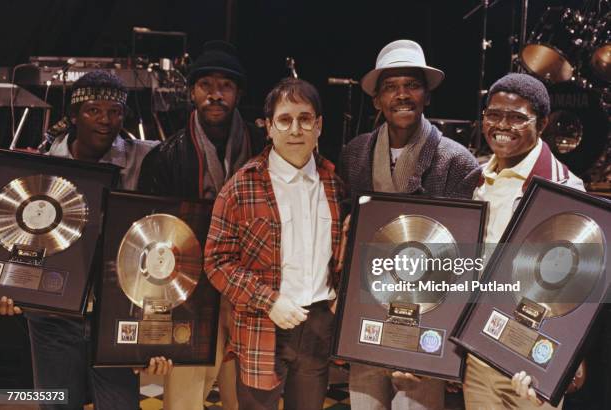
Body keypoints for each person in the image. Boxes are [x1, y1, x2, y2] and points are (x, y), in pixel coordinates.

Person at [339, 39, 481, 410]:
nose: (402, 95)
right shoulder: (354, 154)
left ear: (427, 96)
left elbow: (460, 260)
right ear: (376, 100)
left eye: (412, 85)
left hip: (425, 317)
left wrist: (435, 345)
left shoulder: (457, 162)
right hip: (366, 311)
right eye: (390, 87)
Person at [23, 70, 171, 410]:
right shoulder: (39, 165)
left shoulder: (147, 157)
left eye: (115, 111)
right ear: (74, 115)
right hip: (52, 316)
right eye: (94, 110)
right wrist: (10, 285)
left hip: (115, 314)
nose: (106, 120)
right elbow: (20, 237)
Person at [138, 40, 266, 410]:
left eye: (225, 86)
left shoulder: (264, 147)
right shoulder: (164, 157)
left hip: (248, 290)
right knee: (183, 399)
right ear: (192, 92)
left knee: (245, 398)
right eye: (206, 85)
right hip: (189, 294)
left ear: (238, 94)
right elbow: (152, 240)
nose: (215, 94)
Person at [204, 77, 347, 409]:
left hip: (317, 324)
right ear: (268, 127)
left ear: (319, 125)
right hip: (261, 323)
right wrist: (268, 301)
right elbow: (216, 261)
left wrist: (340, 296)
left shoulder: (336, 186)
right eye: (284, 119)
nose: (295, 129)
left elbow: (343, 252)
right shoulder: (241, 187)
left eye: (305, 118)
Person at [465, 72, 585, 410]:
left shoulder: (565, 188)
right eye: (493, 114)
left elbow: (577, 283)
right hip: (479, 353)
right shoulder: (476, 179)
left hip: (532, 357)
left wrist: (568, 358)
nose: (502, 125)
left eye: (517, 117)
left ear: (542, 123)